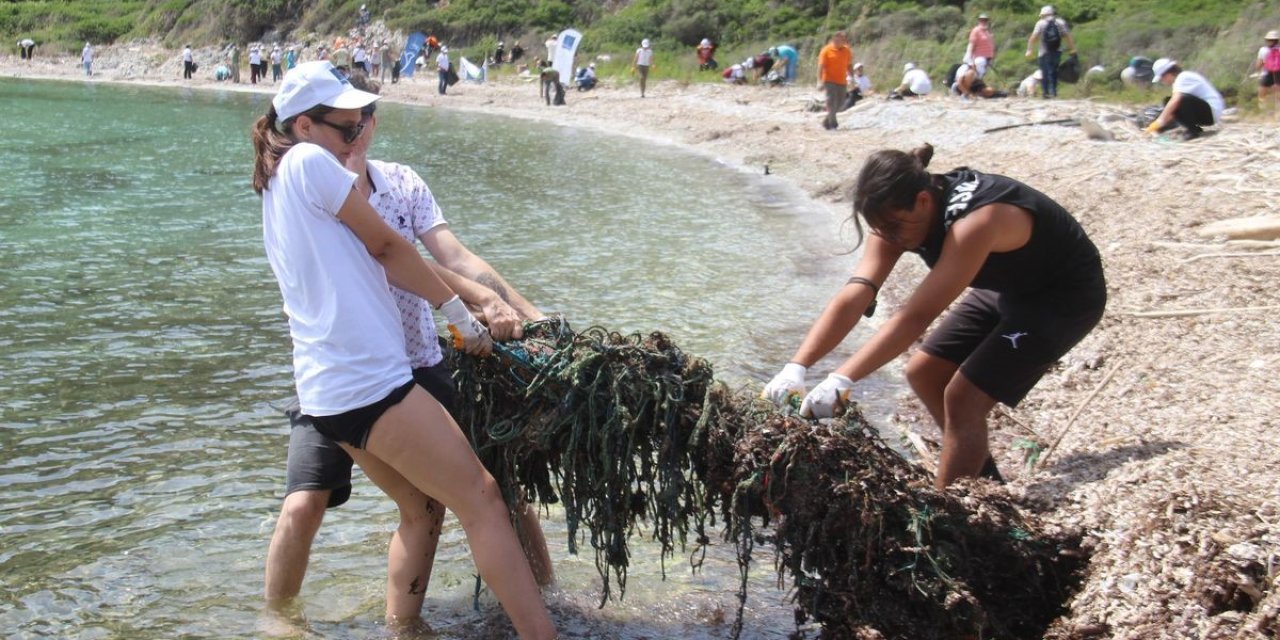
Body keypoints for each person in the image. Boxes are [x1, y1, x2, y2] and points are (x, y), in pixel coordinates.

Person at [250, 60, 557, 639]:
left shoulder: (280, 183)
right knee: (482, 498)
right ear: (303, 126)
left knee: (422, 508)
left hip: (331, 390)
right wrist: (458, 314)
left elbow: (401, 255)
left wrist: (508, 307)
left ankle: (403, 630)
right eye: (345, 126)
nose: (358, 132)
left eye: (362, 120)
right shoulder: (310, 163)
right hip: (368, 381)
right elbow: (389, 249)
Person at [762, 143, 1106, 490]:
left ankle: (950, 505)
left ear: (924, 201)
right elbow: (857, 292)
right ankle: (981, 479)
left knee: (963, 399)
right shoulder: (895, 217)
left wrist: (842, 379)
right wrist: (796, 367)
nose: (890, 238)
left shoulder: (976, 221)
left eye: (894, 227)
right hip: (1006, 286)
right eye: (881, 228)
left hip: (1063, 296)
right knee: (924, 372)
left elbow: (915, 317)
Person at [1145, 58, 1224, 140]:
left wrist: (1159, 121)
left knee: (1181, 99)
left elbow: (1175, 101)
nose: (1162, 81)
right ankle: (1193, 128)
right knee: (1169, 101)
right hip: (1207, 113)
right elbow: (1173, 111)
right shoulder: (1180, 79)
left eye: (1161, 79)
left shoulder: (1183, 77)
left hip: (1211, 113)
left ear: (1166, 74)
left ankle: (1192, 131)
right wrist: (1160, 126)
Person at [1025, 5, 1076, 99]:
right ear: (1052, 13)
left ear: (1043, 14)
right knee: (1054, 71)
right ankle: (1053, 92)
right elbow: (1067, 36)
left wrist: (1029, 49)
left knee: (1045, 72)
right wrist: (1072, 49)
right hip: (1057, 51)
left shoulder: (1040, 23)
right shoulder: (1061, 22)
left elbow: (1033, 37)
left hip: (1044, 52)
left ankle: (1046, 93)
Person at [816, 31, 855, 130]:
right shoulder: (826, 50)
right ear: (833, 39)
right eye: (837, 39)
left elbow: (849, 65)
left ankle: (826, 121)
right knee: (831, 101)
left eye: (842, 40)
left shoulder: (847, 50)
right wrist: (819, 81)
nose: (840, 42)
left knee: (841, 103)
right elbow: (820, 66)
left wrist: (852, 77)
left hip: (842, 80)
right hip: (829, 80)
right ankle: (833, 124)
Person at [965, 13, 995, 80]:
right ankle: (978, 80)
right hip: (978, 57)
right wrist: (970, 59)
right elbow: (971, 44)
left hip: (988, 58)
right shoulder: (976, 30)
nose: (984, 22)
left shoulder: (987, 32)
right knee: (980, 64)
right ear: (979, 21)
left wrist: (992, 57)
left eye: (985, 20)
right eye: (982, 20)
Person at [1256, 30, 1280, 112]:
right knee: (1278, 92)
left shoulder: (1262, 50)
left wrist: (1259, 69)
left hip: (1267, 73)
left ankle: (1262, 110)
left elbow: (1258, 65)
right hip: (1278, 73)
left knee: (1262, 93)